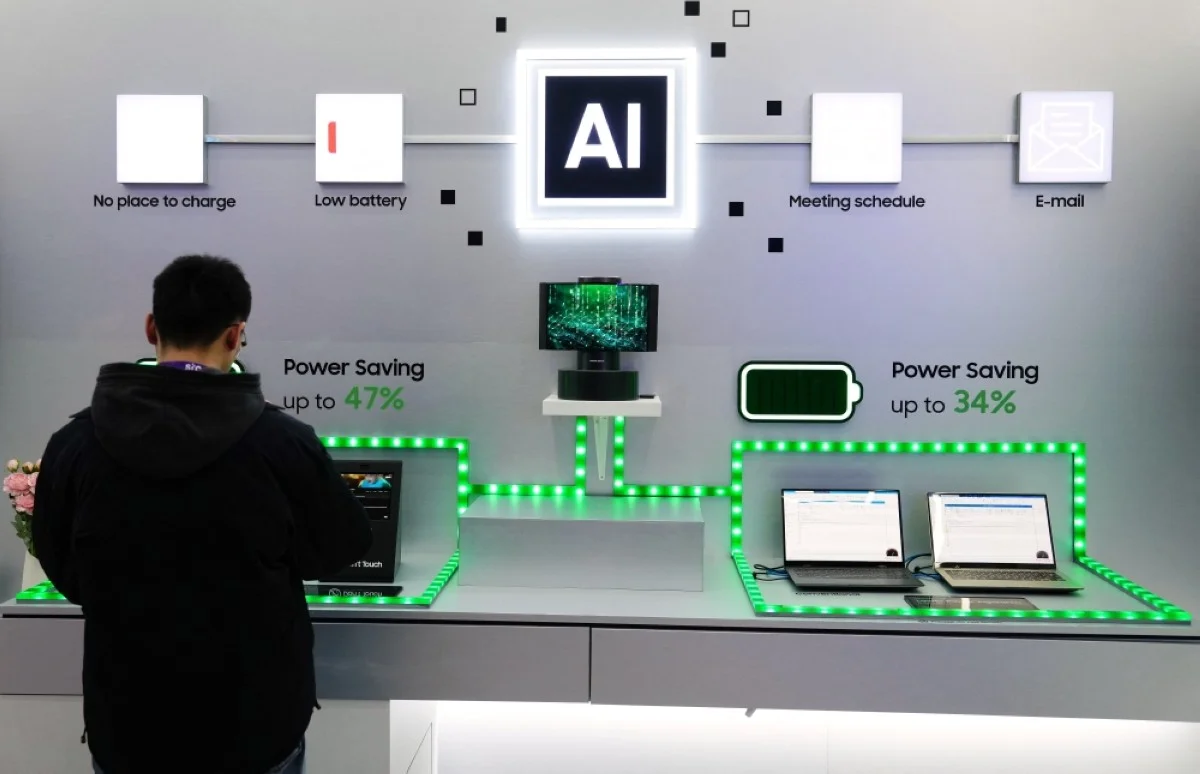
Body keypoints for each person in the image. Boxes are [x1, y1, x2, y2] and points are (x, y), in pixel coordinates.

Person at [32, 255, 373, 774]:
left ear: (151, 327)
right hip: (256, 725)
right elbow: (344, 545)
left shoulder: (76, 443)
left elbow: (62, 563)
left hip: (128, 725)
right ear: (236, 336)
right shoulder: (283, 442)